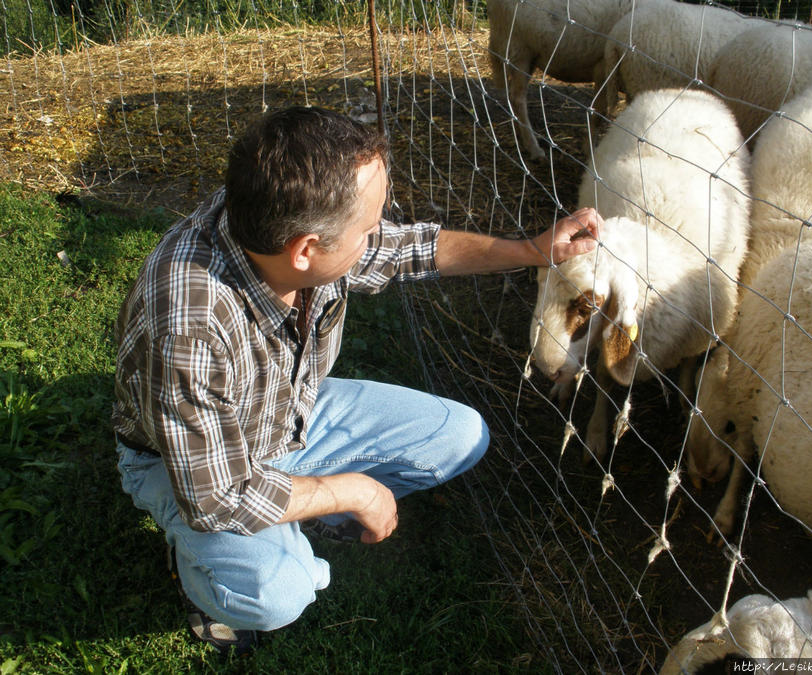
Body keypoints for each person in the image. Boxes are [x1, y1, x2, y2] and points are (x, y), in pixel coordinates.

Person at [112, 105, 601, 653]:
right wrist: (352, 490)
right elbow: (216, 496)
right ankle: (203, 575)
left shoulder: (278, 225)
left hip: (281, 418)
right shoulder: (191, 330)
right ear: (306, 250)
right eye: (368, 230)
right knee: (280, 593)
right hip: (191, 469)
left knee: (459, 436)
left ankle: (295, 517)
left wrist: (533, 250)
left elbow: (410, 250)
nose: (380, 238)